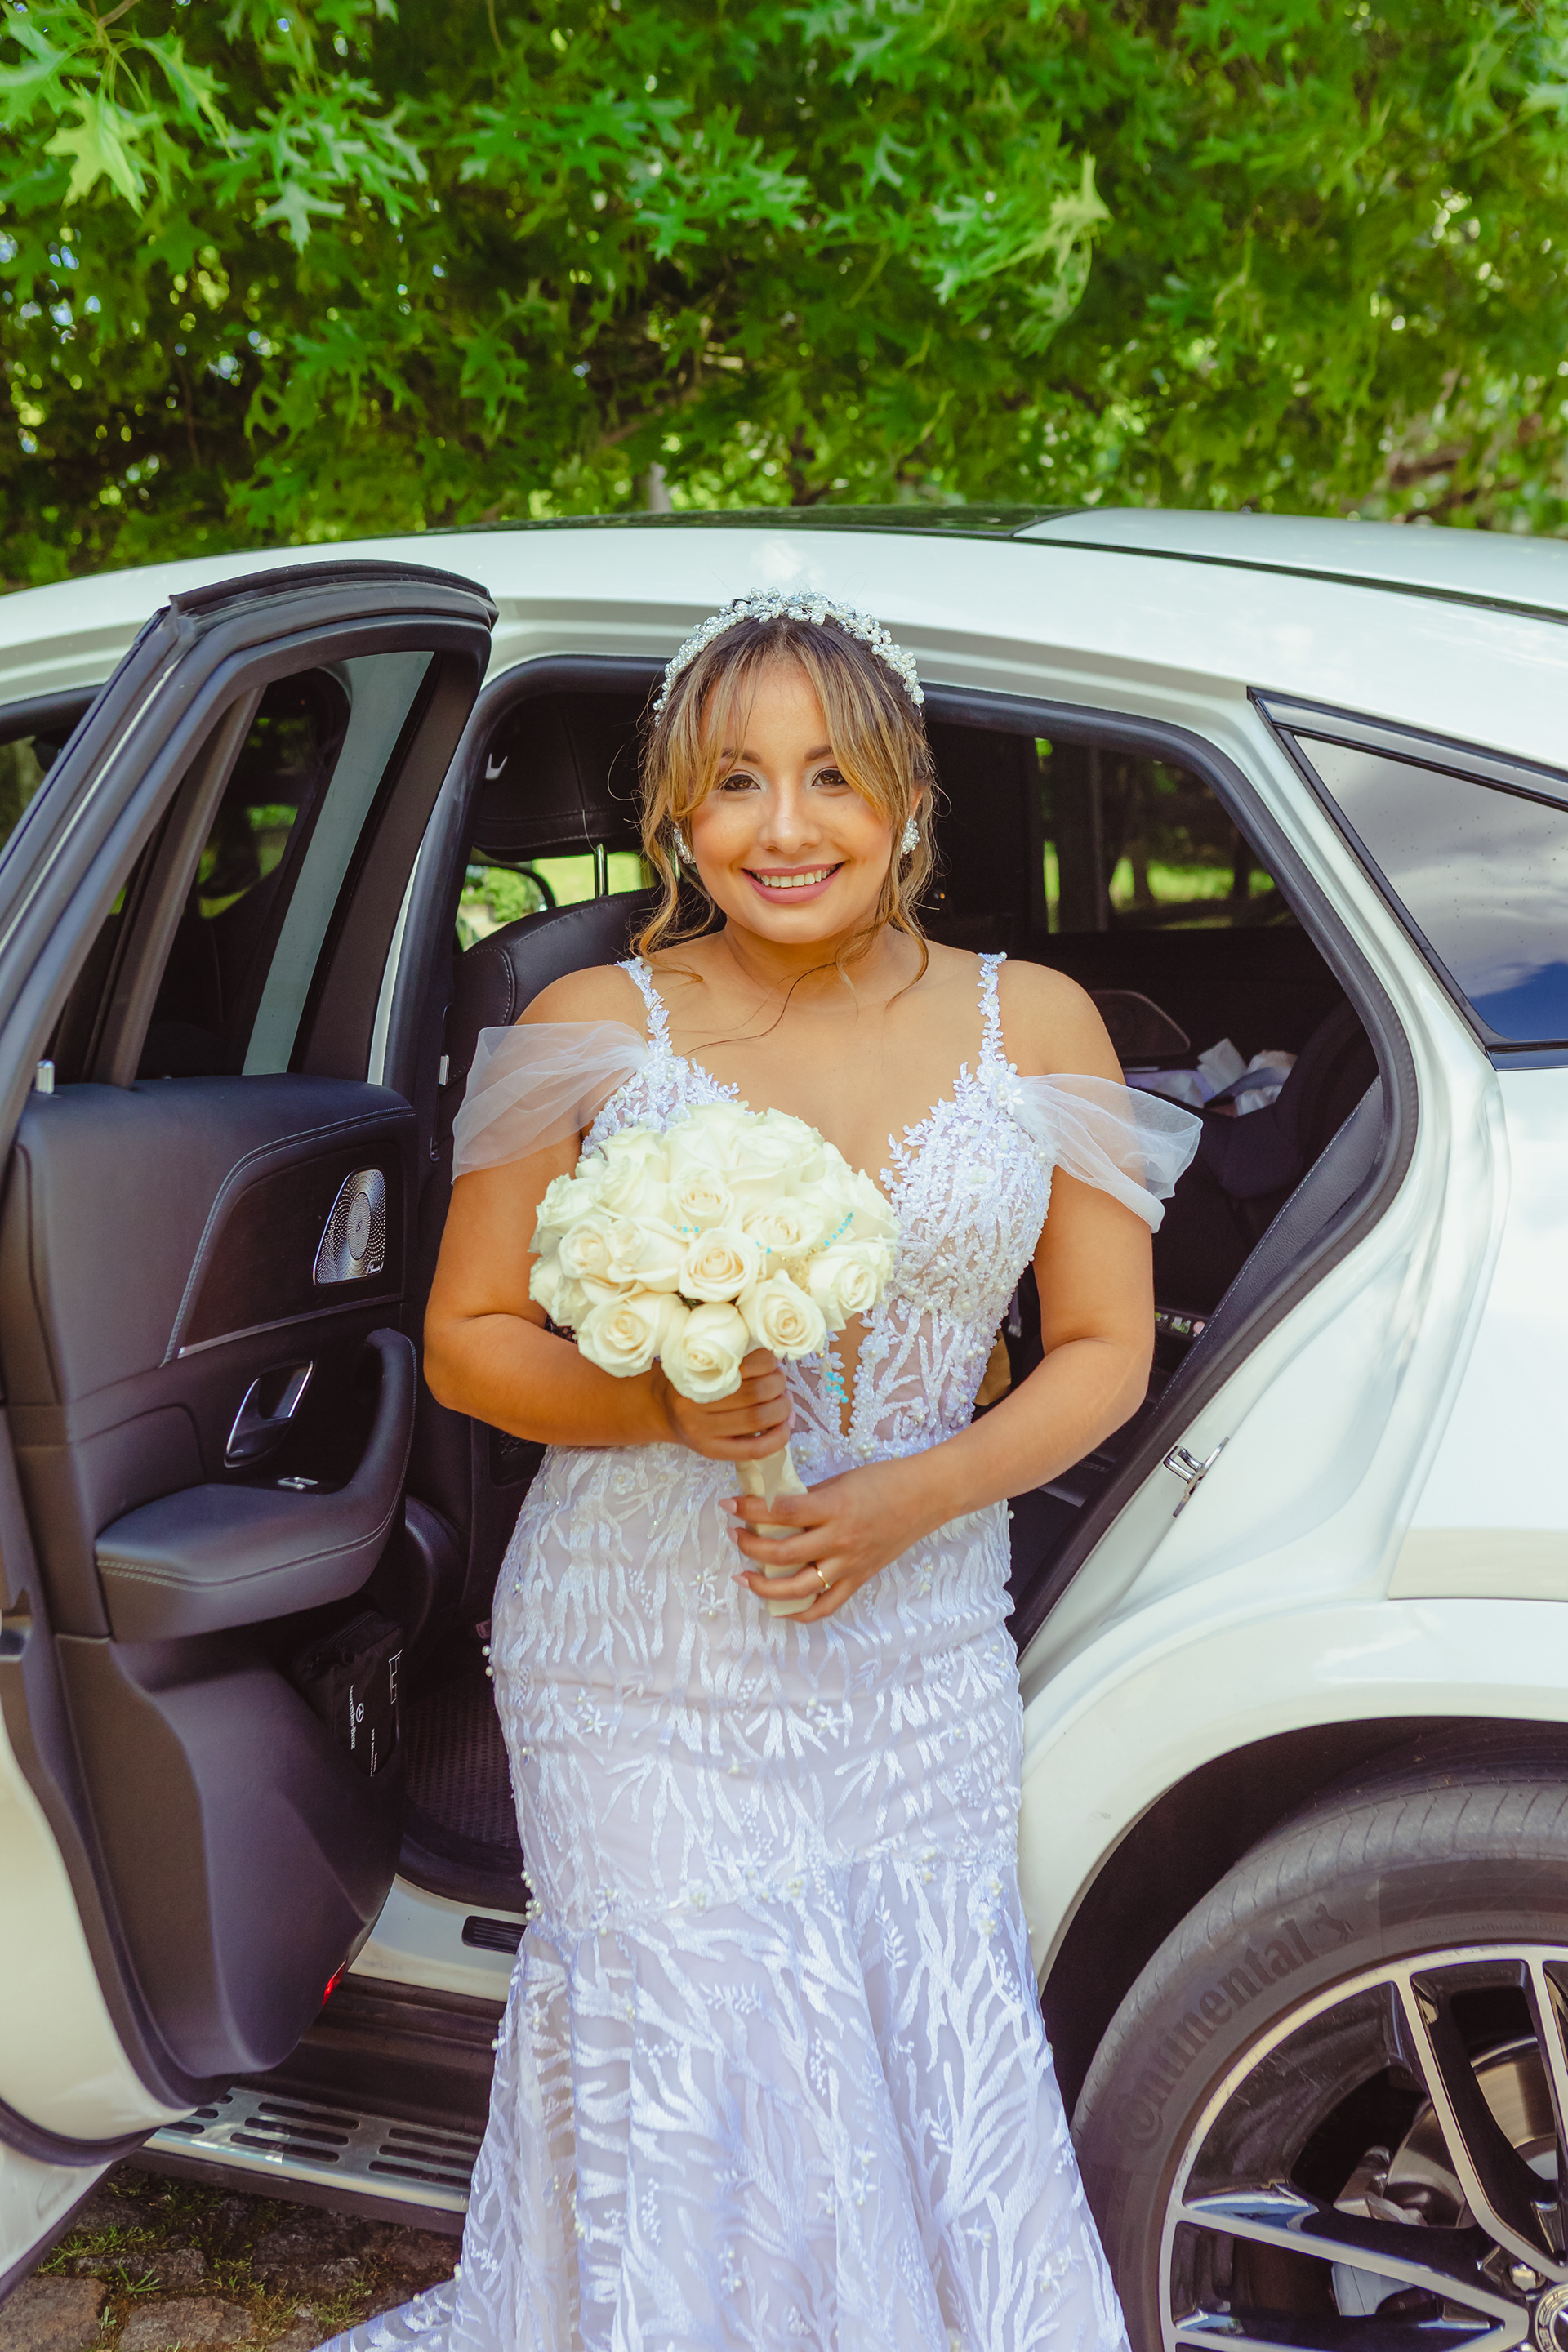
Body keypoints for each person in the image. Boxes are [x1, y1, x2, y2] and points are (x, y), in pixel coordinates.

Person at [316, 594, 1200, 2352]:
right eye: (733, 782)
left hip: (915, 1643)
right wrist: (658, 1406)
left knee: (913, 2019)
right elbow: (471, 1339)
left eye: (830, 777)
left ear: (909, 799)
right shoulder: (591, 1020)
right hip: (640, 1651)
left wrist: (912, 1496)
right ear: (675, 812)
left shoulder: (1039, 1024)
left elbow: (1104, 1349)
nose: (784, 828)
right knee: (685, 2051)